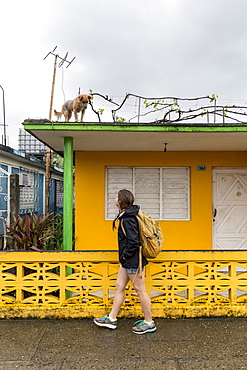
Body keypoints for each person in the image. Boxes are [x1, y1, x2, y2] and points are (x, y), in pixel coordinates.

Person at [93, 189, 156, 334]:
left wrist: (125, 256)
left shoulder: (128, 219)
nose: (115, 199)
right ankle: (111, 319)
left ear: (121, 201)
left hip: (133, 260)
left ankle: (149, 322)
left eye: (116, 197)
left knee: (140, 290)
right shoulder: (126, 215)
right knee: (119, 286)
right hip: (127, 260)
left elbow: (133, 241)